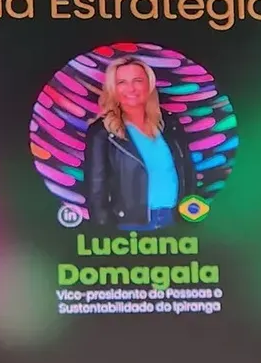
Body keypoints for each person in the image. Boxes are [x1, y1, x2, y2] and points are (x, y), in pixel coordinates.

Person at [79, 55, 198, 231]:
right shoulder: (102, 132)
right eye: (122, 82)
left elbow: (187, 172)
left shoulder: (170, 124)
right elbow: (96, 190)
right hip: (131, 224)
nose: (131, 89)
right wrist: (104, 232)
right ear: (113, 89)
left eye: (137, 80)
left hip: (176, 218)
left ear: (149, 85)